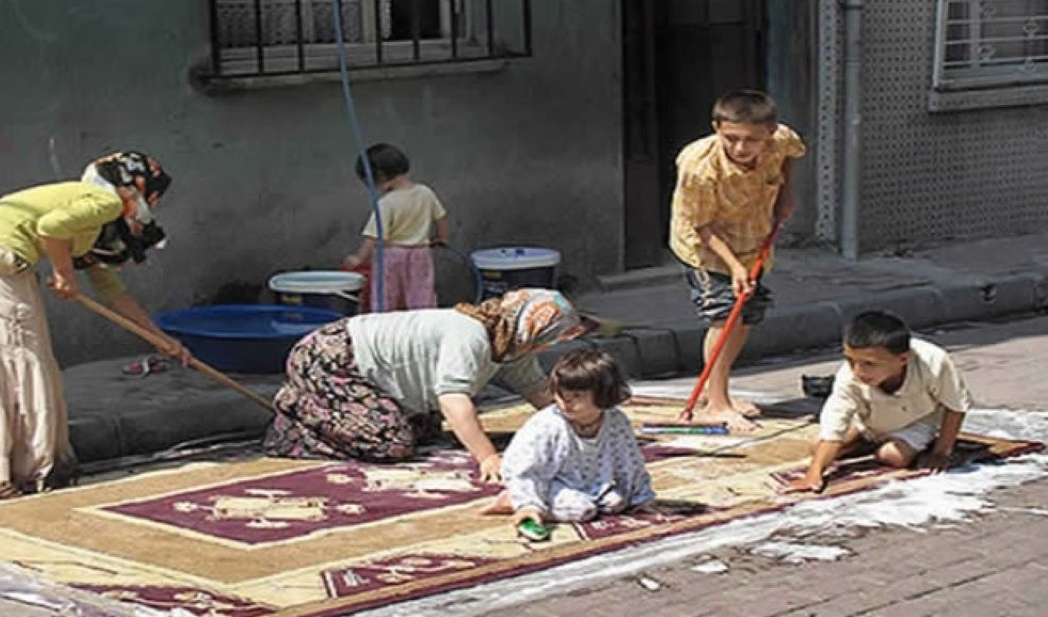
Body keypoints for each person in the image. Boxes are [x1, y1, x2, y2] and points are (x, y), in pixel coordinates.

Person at [0, 151, 190, 502]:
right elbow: (50, 228)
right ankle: (6, 473)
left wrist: (160, 339)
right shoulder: (104, 203)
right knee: (18, 362)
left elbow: (113, 292)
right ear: (134, 188)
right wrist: (63, 274)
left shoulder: (88, 220)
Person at [262, 288, 594, 480]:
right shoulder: (471, 335)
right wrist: (487, 457)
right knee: (390, 443)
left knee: (426, 433)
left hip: (378, 379)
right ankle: (296, 416)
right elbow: (453, 400)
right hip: (332, 359)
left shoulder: (511, 346)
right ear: (531, 330)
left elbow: (536, 389)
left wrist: (579, 421)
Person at [669, 89, 806, 432]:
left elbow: (791, 154)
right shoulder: (698, 167)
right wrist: (734, 267)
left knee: (744, 316)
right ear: (716, 127)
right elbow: (702, 226)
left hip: (752, 235)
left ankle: (720, 392)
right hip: (705, 246)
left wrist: (787, 193)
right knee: (724, 312)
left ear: (769, 132)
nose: (741, 149)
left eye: (751, 141)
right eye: (731, 139)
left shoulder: (781, 138)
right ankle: (716, 404)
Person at [780, 310, 973, 494]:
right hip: (869, 419)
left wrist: (941, 452)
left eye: (869, 364)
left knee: (893, 456)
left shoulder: (934, 361)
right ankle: (866, 441)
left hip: (918, 420)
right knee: (817, 447)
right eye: (850, 360)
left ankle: (884, 444)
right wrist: (814, 474)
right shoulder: (849, 377)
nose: (858, 371)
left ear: (902, 359)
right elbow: (834, 423)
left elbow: (955, 406)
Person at [483, 349, 655, 532]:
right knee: (581, 510)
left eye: (577, 397)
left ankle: (562, 499)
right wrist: (527, 504)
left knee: (616, 502)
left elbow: (630, 461)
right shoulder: (547, 425)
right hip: (547, 479)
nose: (566, 403)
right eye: (561, 395)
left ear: (604, 394)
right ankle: (513, 499)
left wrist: (641, 498)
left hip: (588, 480)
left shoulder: (616, 420)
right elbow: (527, 469)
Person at [343, 143, 448, 311]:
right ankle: (424, 324)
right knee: (422, 292)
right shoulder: (425, 192)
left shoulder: (386, 203)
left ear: (380, 176)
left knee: (386, 293)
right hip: (421, 253)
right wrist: (442, 238)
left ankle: (384, 325)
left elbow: (373, 237)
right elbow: (440, 217)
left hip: (391, 254)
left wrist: (358, 258)